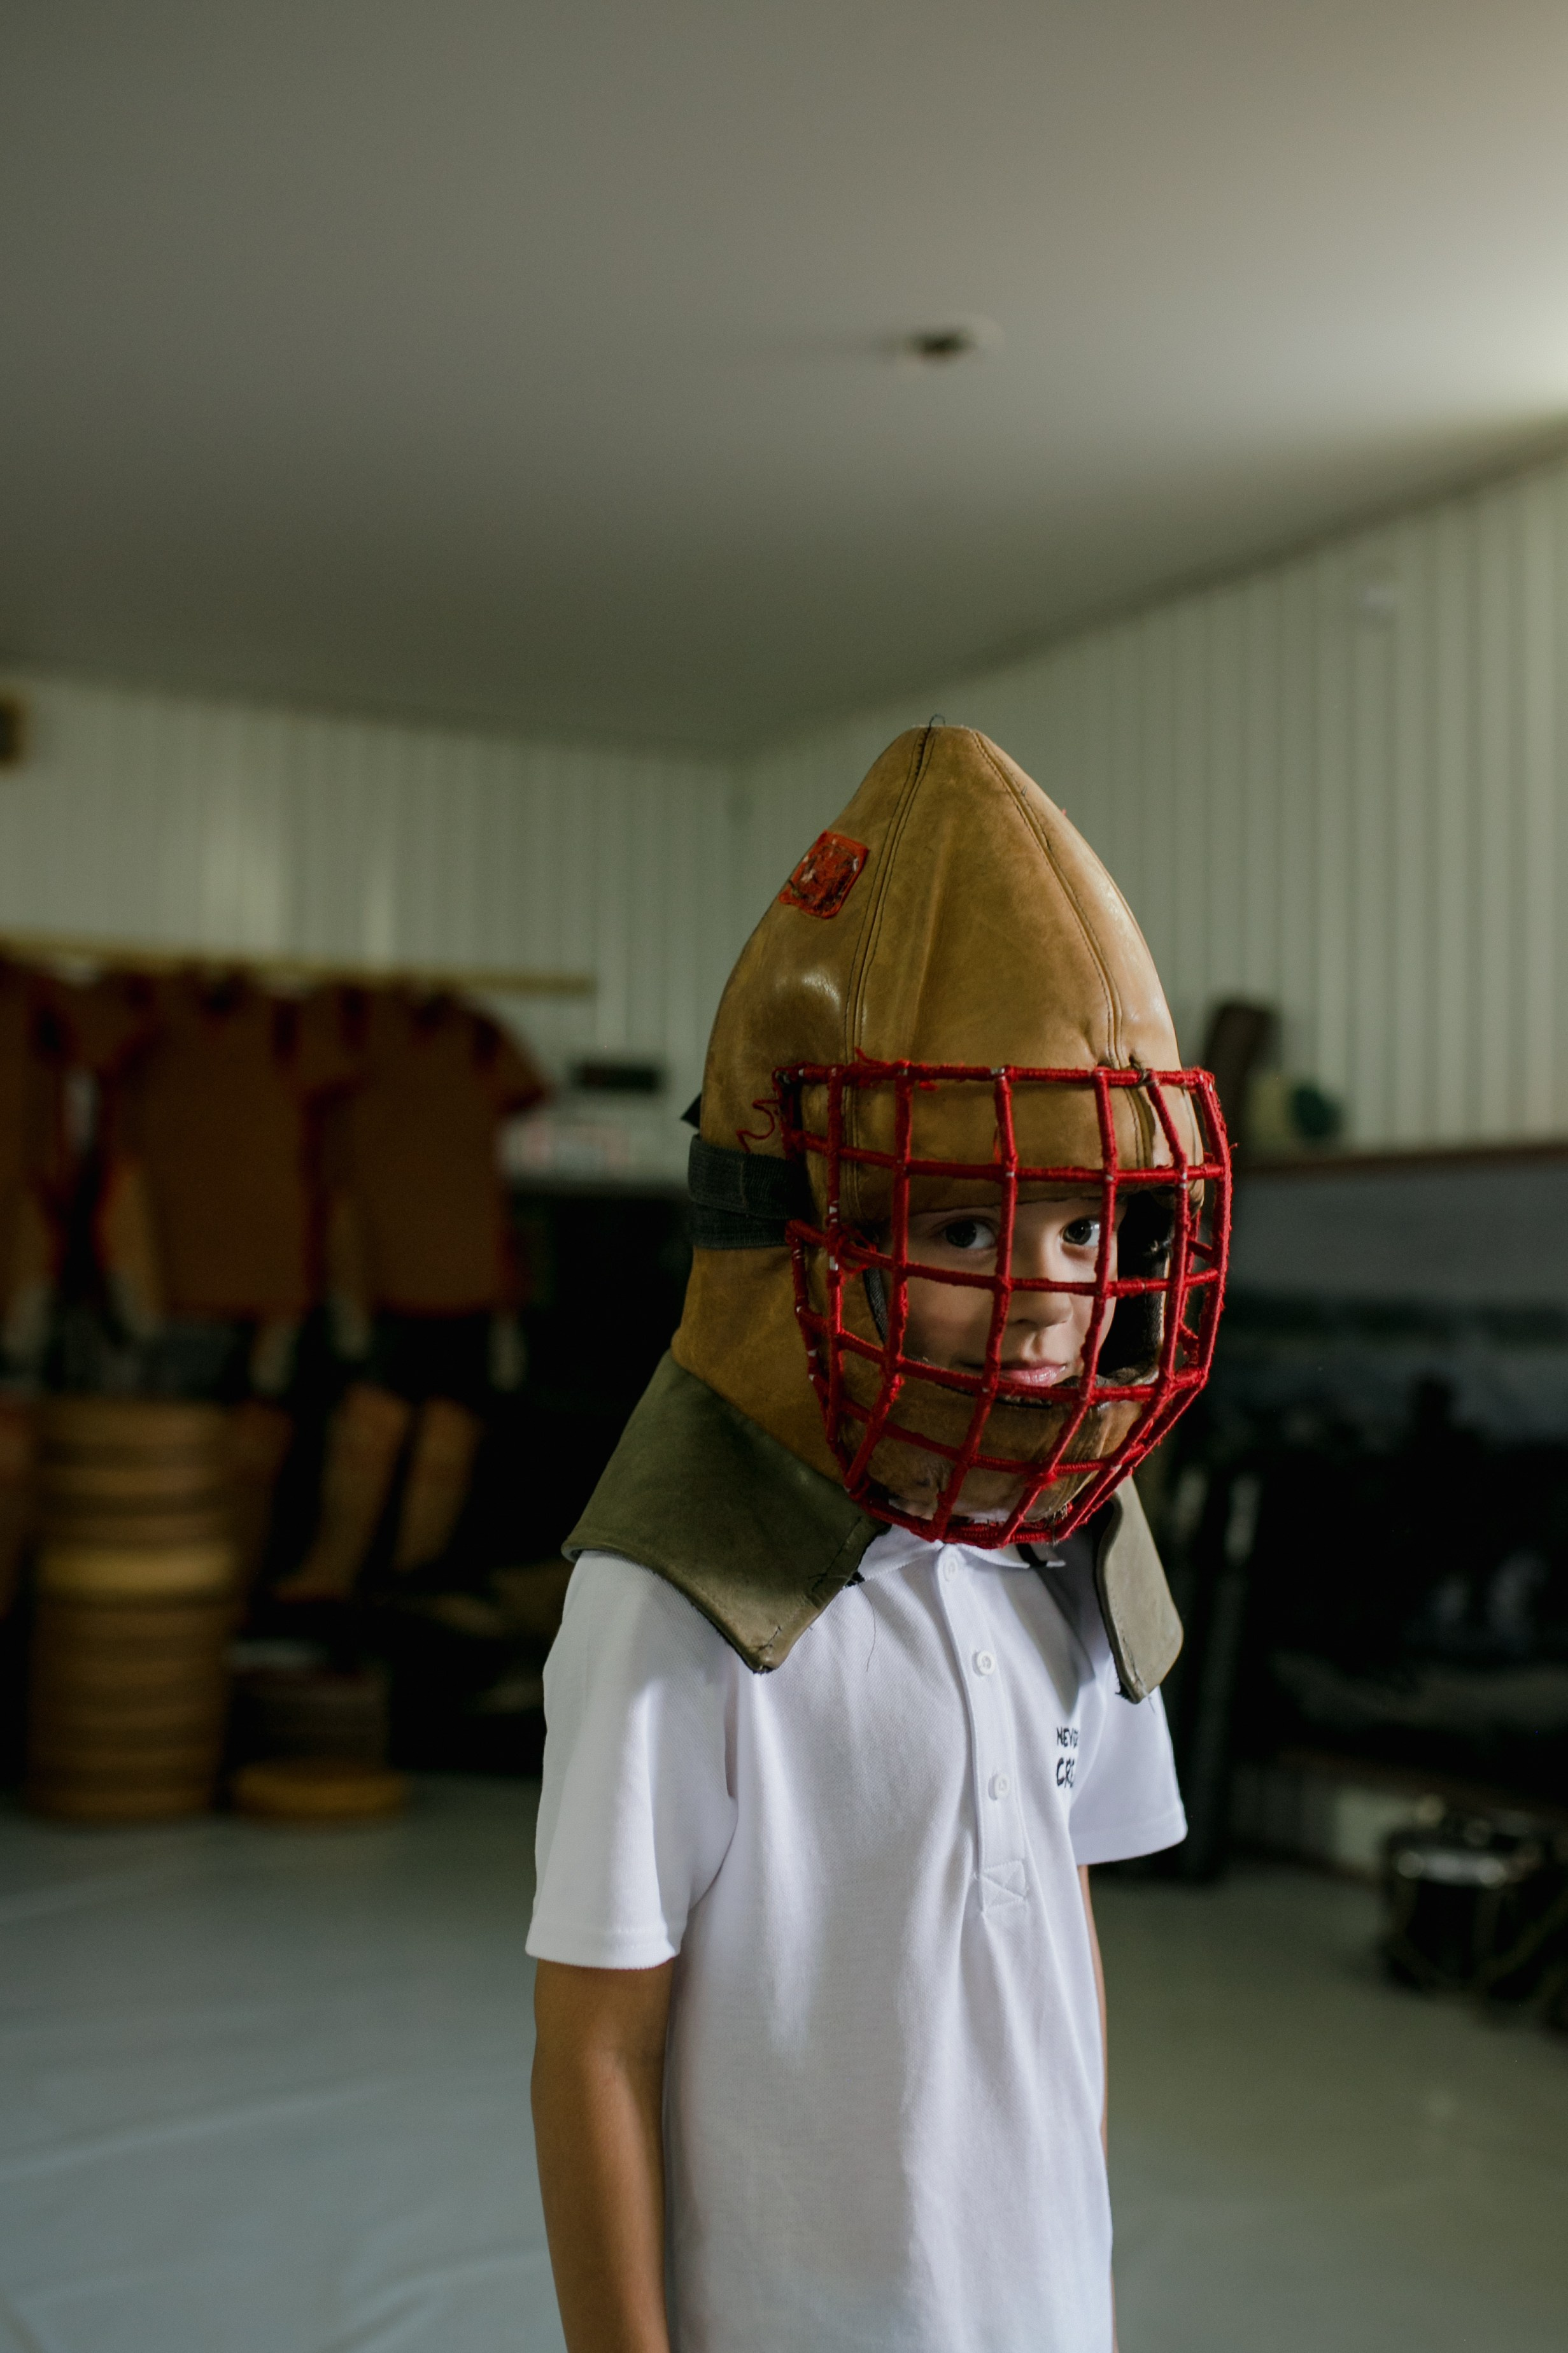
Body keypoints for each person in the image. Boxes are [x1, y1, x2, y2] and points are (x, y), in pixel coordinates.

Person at [527, 725, 1229, 2353]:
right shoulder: (675, 1594)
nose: (1051, 1292)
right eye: (969, 1225)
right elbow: (595, 2050)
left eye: (1080, 1224)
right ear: (800, 1233)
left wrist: (1066, 2267)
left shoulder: (1062, 1546)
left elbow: (1056, 1937)